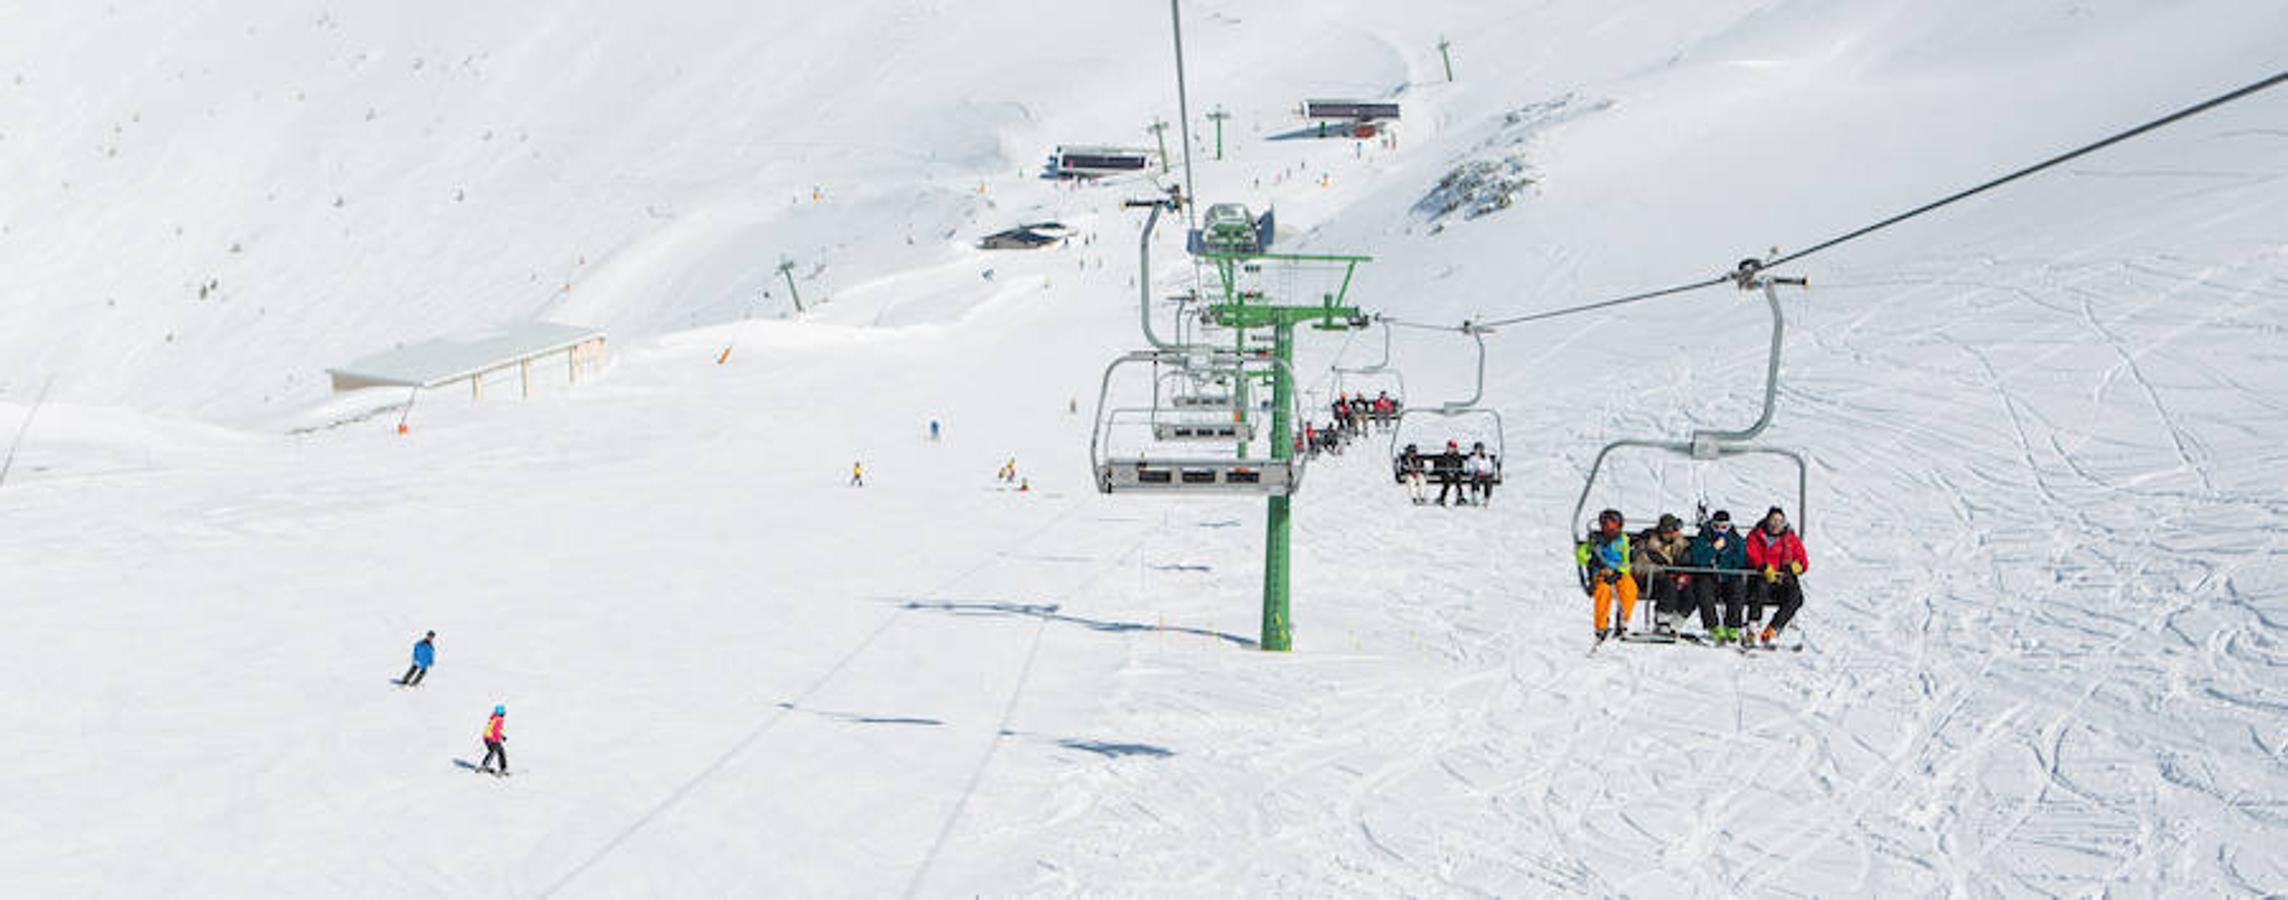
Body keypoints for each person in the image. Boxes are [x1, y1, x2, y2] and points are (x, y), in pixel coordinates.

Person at [1744, 506, 1809, 647]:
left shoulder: (1790, 539)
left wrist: (1795, 567)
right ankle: (1753, 627)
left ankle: (1773, 629)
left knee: (1796, 597)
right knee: (1759, 589)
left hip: (1783, 577)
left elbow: (1802, 560)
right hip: (1762, 575)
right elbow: (1751, 552)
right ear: (1767, 521)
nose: (1776, 524)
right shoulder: (1757, 535)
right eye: (1773, 520)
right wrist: (1763, 566)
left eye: (1780, 521)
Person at [1689, 510, 1752, 643]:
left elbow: (1741, 560)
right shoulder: (1704, 538)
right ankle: (1713, 626)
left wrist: (1727, 558)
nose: (1720, 530)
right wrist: (1713, 549)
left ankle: (1733, 625)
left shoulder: (1736, 540)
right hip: (1710, 577)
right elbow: (1697, 560)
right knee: (1703, 588)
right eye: (1716, 526)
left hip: (1728, 577)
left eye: (1724, 527)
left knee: (1737, 587)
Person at [1576, 509, 1637, 640]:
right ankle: (1601, 626)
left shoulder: (1623, 540)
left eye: (1613, 525)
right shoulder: (1596, 540)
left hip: (1618, 573)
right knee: (1603, 591)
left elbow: (1625, 561)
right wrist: (1591, 555)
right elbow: (1580, 556)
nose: (1609, 528)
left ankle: (1623, 621)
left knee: (1629, 589)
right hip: (1601, 573)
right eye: (1606, 525)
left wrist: (1619, 572)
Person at [1632, 515, 1693, 637]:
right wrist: (1664, 571)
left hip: (1672, 579)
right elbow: (1640, 565)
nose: (1673, 535)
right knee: (1668, 585)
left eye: (1675, 531)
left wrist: (1683, 574)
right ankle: (1662, 622)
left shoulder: (1679, 543)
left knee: (1690, 593)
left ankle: (1675, 624)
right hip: (1649, 579)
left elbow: (1685, 560)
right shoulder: (1648, 543)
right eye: (1670, 532)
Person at [478, 705, 508, 776]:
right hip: (491, 738)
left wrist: (501, 736)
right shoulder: (499, 719)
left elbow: (493, 729)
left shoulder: (494, 718)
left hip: (487, 737)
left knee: (494, 751)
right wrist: (500, 738)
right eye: (504, 713)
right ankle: (502, 768)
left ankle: (484, 765)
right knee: (499, 752)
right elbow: (495, 730)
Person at [1434, 440, 1466, 506]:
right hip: (1446, 473)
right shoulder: (1444, 456)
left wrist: (1455, 471)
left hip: (1455, 473)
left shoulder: (1457, 456)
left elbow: (1460, 466)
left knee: (1458, 480)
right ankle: (1442, 497)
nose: (1451, 449)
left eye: (1453, 448)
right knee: (1447, 482)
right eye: (1450, 448)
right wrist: (1446, 471)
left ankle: (1460, 496)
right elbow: (1440, 466)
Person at [1464, 442, 1497, 506]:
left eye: (1479, 449)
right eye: (1476, 449)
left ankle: (1486, 497)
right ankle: (1475, 494)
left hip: (1485, 474)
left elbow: (1489, 466)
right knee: (1476, 479)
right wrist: (1475, 470)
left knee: (1488, 480)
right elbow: (1469, 467)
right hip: (1476, 474)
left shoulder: (1486, 457)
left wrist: (1486, 471)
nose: (1478, 451)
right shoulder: (1472, 458)